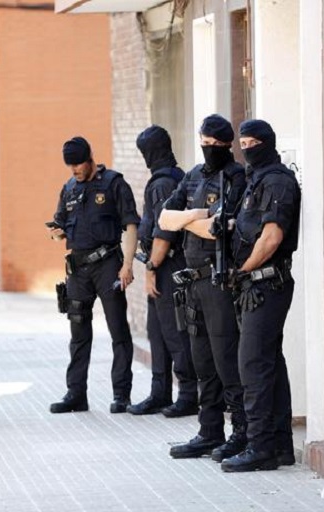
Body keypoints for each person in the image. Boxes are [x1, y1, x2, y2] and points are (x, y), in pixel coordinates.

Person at [158, 114, 248, 462]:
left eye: (214, 144)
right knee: (202, 362)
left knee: (227, 360)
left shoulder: (236, 178)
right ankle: (209, 431)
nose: (207, 148)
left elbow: (218, 230)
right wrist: (197, 217)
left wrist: (189, 219)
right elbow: (166, 219)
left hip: (218, 280)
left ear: (226, 144)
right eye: (204, 142)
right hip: (192, 280)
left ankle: (241, 432)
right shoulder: (194, 175)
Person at [219, 119, 301, 472]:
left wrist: (244, 269)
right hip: (254, 284)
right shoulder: (255, 180)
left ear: (268, 143)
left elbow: (272, 237)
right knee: (268, 363)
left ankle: (260, 447)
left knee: (252, 365)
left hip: (266, 282)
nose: (247, 148)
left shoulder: (278, 181)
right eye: (244, 142)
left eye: (254, 142)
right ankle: (280, 445)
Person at [47, 136, 140, 414]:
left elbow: (131, 225)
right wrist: (56, 232)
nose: (74, 170)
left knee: (118, 330)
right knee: (78, 333)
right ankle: (76, 394)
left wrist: (128, 265)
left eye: (78, 164)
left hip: (108, 264)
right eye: (70, 165)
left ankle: (121, 395)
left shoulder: (114, 184)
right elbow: (60, 226)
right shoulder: (69, 188)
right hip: (78, 269)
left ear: (90, 158)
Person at [127, 125, 198, 418]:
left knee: (174, 332)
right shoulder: (174, 177)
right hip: (164, 264)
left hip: (168, 265)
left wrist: (152, 268)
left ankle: (188, 395)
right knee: (157, 332)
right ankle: (159, 393)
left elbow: (164, 231)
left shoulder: (162, 184)